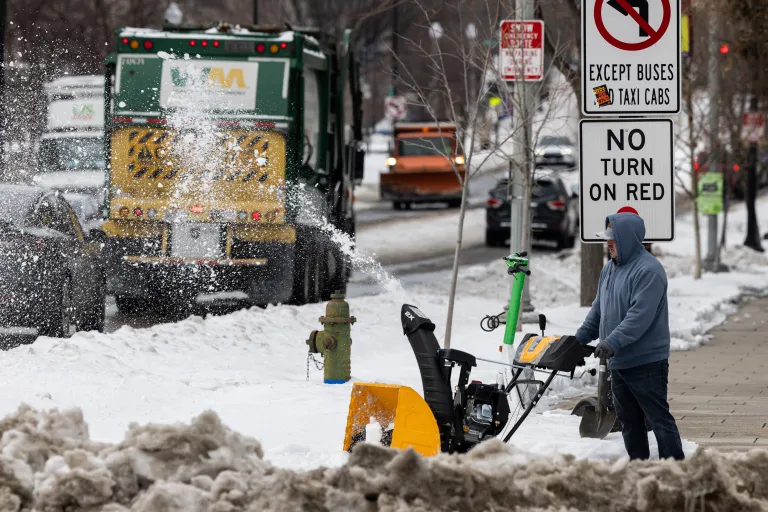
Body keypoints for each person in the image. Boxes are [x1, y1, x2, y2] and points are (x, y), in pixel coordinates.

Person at [575, 212, 685, 461]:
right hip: (619, 361)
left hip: (646, 362)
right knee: (629, 421)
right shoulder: (609, 269)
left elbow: (639, 317)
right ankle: (639, 467)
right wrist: (579, 338)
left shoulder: (649, 271)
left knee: (657, 418)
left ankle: (676, 468)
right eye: (607, 240)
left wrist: (611, 342)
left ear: (628, 239)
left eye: (613, 239)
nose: (608, 244)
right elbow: (598, 310)